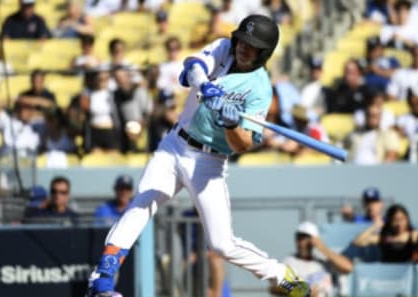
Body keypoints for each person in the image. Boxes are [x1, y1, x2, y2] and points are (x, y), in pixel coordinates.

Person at [86, 14, 310, 297]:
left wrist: (231, 123)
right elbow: (192, 67)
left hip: (209, 161)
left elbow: (242, 144)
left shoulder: (260, 89)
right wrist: (205, 86)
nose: (243, 47)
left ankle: (282, 276)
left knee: (221, 244)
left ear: (263, 53)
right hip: (175, 144)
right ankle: (102, 279)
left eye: (252, 45)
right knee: (144, 200)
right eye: (242, 40)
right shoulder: (223, 49)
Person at [270, 222, 353, 297]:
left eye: (307, 239)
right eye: (299, 239)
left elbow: (347, 268)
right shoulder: (289, 262)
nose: (302, 244)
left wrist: (322, 247)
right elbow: (274, 288)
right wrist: (299, 291)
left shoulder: (325, 260)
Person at [353, 203, 418, 262]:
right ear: (389, 222)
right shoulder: (382, 238)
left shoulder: (414, 235)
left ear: (407, 220)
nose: (399, 223)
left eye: (402, 219)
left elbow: (405, 237)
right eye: (395, 220)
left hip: (407, 273)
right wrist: (374, 226)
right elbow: (357, 241)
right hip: (387, 272)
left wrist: (391, 240)